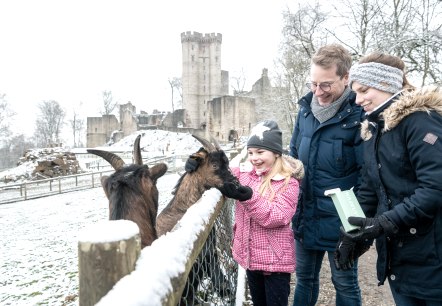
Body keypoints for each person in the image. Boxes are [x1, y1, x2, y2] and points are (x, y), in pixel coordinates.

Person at [337, 52, 442, 305]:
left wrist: (382, 224)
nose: (359, 100)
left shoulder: (421, 122)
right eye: (355, 93)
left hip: (433, 255)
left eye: (364, 90)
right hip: (400, 257)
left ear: (386, 84)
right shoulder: (375, 130)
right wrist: (354, 232)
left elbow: (435, 189)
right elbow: (370, 189)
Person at [186, 120, 304, 306]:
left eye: (260, 152)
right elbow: (220, 170)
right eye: (250, 153)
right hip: (250, 258)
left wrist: (249, 198)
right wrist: (200, 161)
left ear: (275, 153)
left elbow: (278, 216)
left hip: (275, 263)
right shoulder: (245, 174)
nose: (254, 158)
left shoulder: (288, 183)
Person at [289, 44, 365, 306]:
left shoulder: (360, 116)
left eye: (326, 85)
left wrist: (358, 225)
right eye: (313, 84)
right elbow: (293, 158)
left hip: (341, 222)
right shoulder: (305, 111)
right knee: (305, 281)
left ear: (346, 78)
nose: (317, 92)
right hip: (306, 215)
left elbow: (367, 174)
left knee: (344, 283)